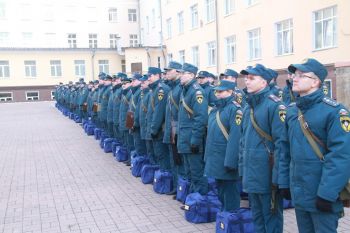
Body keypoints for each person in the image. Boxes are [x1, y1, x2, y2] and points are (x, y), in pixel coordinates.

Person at [279, 58, 350, 233]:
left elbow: (341, 156)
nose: (295, 78)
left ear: (316, 81)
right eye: (295, 74)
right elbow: (284, 149)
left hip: (322, 194)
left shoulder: (334, 112)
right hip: (300, 192)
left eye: (302, 75)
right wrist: (284, 183)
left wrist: (327, 193)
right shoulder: (292, 111)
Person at [239, 64, 288, 233]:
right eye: (246, 78)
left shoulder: (275, 106)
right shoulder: (248, 107)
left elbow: (281, 143)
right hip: (251, 172)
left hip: (268, 174)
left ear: (264, 82)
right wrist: (241, 169)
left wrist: (278, 177)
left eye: (252, 78)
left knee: (271, 217)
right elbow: (243, 142)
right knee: (257, 217)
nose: (247, 81)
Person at [204, 80, 242, 212]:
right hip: (215, 158)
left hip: (227, 159)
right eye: (217, 91)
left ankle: (231, 219)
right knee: (220, 191)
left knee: (230, 192)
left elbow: (235, 138)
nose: (217, 94)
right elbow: (210, 136)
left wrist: (231, 161)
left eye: (221, 91)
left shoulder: (235, 109)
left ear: (230, 92)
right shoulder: (215, 109)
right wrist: (207, 157)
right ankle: (225, 218)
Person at [177, 63, 208, 196]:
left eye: (183, 73)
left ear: (191, 75)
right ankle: (192, 199)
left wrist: (195, 141)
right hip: (185, 138)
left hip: (192, 140)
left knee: (197, 173)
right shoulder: (185, 90)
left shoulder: (197, 92)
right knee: (189, 171)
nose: (180, 76)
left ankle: (200, 201)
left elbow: (200, 118)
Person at [163, 61, 185, 196]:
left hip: (177, 130)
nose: (166, 73)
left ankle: (181, 189)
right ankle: (177, 187)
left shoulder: (180, 88)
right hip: (172, 129)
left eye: (169, 71)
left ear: (177, 72)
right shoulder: (172, 88)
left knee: (179, 161)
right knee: (174, 159)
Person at [147, 67, 171, 171]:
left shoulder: (161, 90)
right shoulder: (155, 89)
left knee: (162, 155)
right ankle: (163, 176)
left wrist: (153, 129)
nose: (148, 78)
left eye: (150, 76)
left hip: (160, 130)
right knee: (159, 155)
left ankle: (165, 178)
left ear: (157, 75)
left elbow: (158, 112)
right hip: (157, 129)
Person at [130, 73, 147, 156]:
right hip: (133, 122)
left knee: (140, 147)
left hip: (137, 124)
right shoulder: (135, 91)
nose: (132, 82)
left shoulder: (140, 92)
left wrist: (134, 123)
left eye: (134, 80)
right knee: (136, 145)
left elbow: (138, 110)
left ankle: (140, 163)